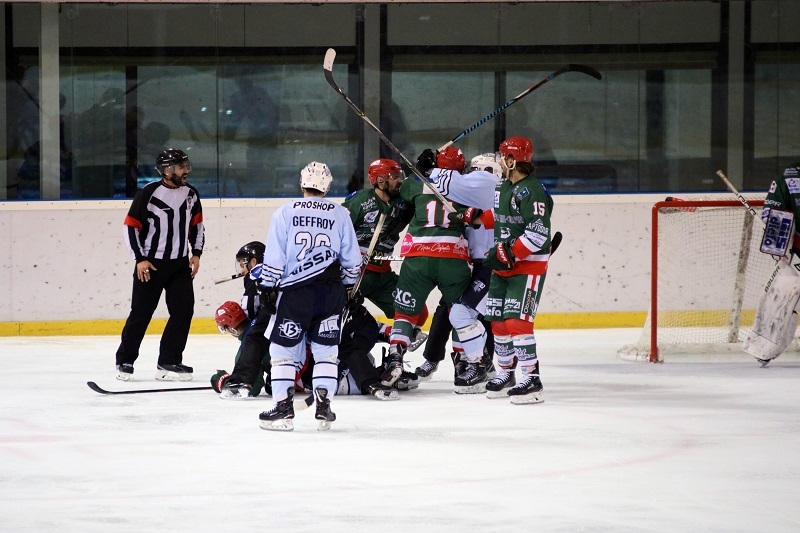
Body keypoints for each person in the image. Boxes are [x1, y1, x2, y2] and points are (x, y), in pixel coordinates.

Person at [418, 137, 555, 404]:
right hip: (500, 265)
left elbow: (538, 233)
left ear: (513, 161)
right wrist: (474, 218)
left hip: (525, 268)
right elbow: (498, 214)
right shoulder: (505, 188)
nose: (500, 161)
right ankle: (506, 373)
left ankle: (532, 378)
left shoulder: (532, 190)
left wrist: (512, 252)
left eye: (504, 156)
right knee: (498, 322)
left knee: (517, 322)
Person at [257, 161, 362, 432]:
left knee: (282, 350)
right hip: (330, 293)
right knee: (326, 351)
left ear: (301, 182)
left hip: (295, 292)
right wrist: (349, 287)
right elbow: (352, 260)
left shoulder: (285, 212)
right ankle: (323, 406)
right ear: (327, 186)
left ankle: (282, 408)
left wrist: (267, 286)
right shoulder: (340, 214)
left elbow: (275, 255)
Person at [381, 147, 473, 386]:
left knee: (405, 314)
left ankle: (395, 359)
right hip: (453, 258)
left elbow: (403, 190)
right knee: (461, 313)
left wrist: (419, 169)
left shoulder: (421, 183)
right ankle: (462, 364)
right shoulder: (467, 185)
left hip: (418, 258)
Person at [415, 153, 502, 393]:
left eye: (474, 170)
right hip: (475, 265)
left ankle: (478, 364)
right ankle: (474, 363)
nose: (470, 175)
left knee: (463, 313)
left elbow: (451, 183)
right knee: (457, 310)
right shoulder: (488, 192)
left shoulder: (486, 183)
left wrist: (429, 170)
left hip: (491, 267)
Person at [115, 148, 204, 381]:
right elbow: (130, 227)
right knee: (141, 313)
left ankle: (169, 361)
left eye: (186, 165)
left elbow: (197, 226)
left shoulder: (191, 194)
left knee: (183, 311)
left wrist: (196, 253)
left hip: (179, 266)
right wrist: (140, 259)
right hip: (151, 265)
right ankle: (125, 360)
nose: (186, 170)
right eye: (181, 166)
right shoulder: (148, 193)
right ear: (167, 170)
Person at [342, 158, 428, 350]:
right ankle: (381, 333)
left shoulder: (401, 202)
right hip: (357, 276)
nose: (400, 180)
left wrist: (420, 170)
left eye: (400, 175)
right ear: (380, 181)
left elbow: (415, 189)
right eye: (395, 176)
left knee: (418, 312)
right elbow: (336, 229)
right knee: (342, 316)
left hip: (383, 275)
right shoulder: (360, 202)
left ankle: (394, 360)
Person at [745, 162, 800, 366]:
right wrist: (780, 248)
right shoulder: (788, 178)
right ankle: (764, 347)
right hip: (795, 255)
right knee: (778, 303)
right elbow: (772, 214)